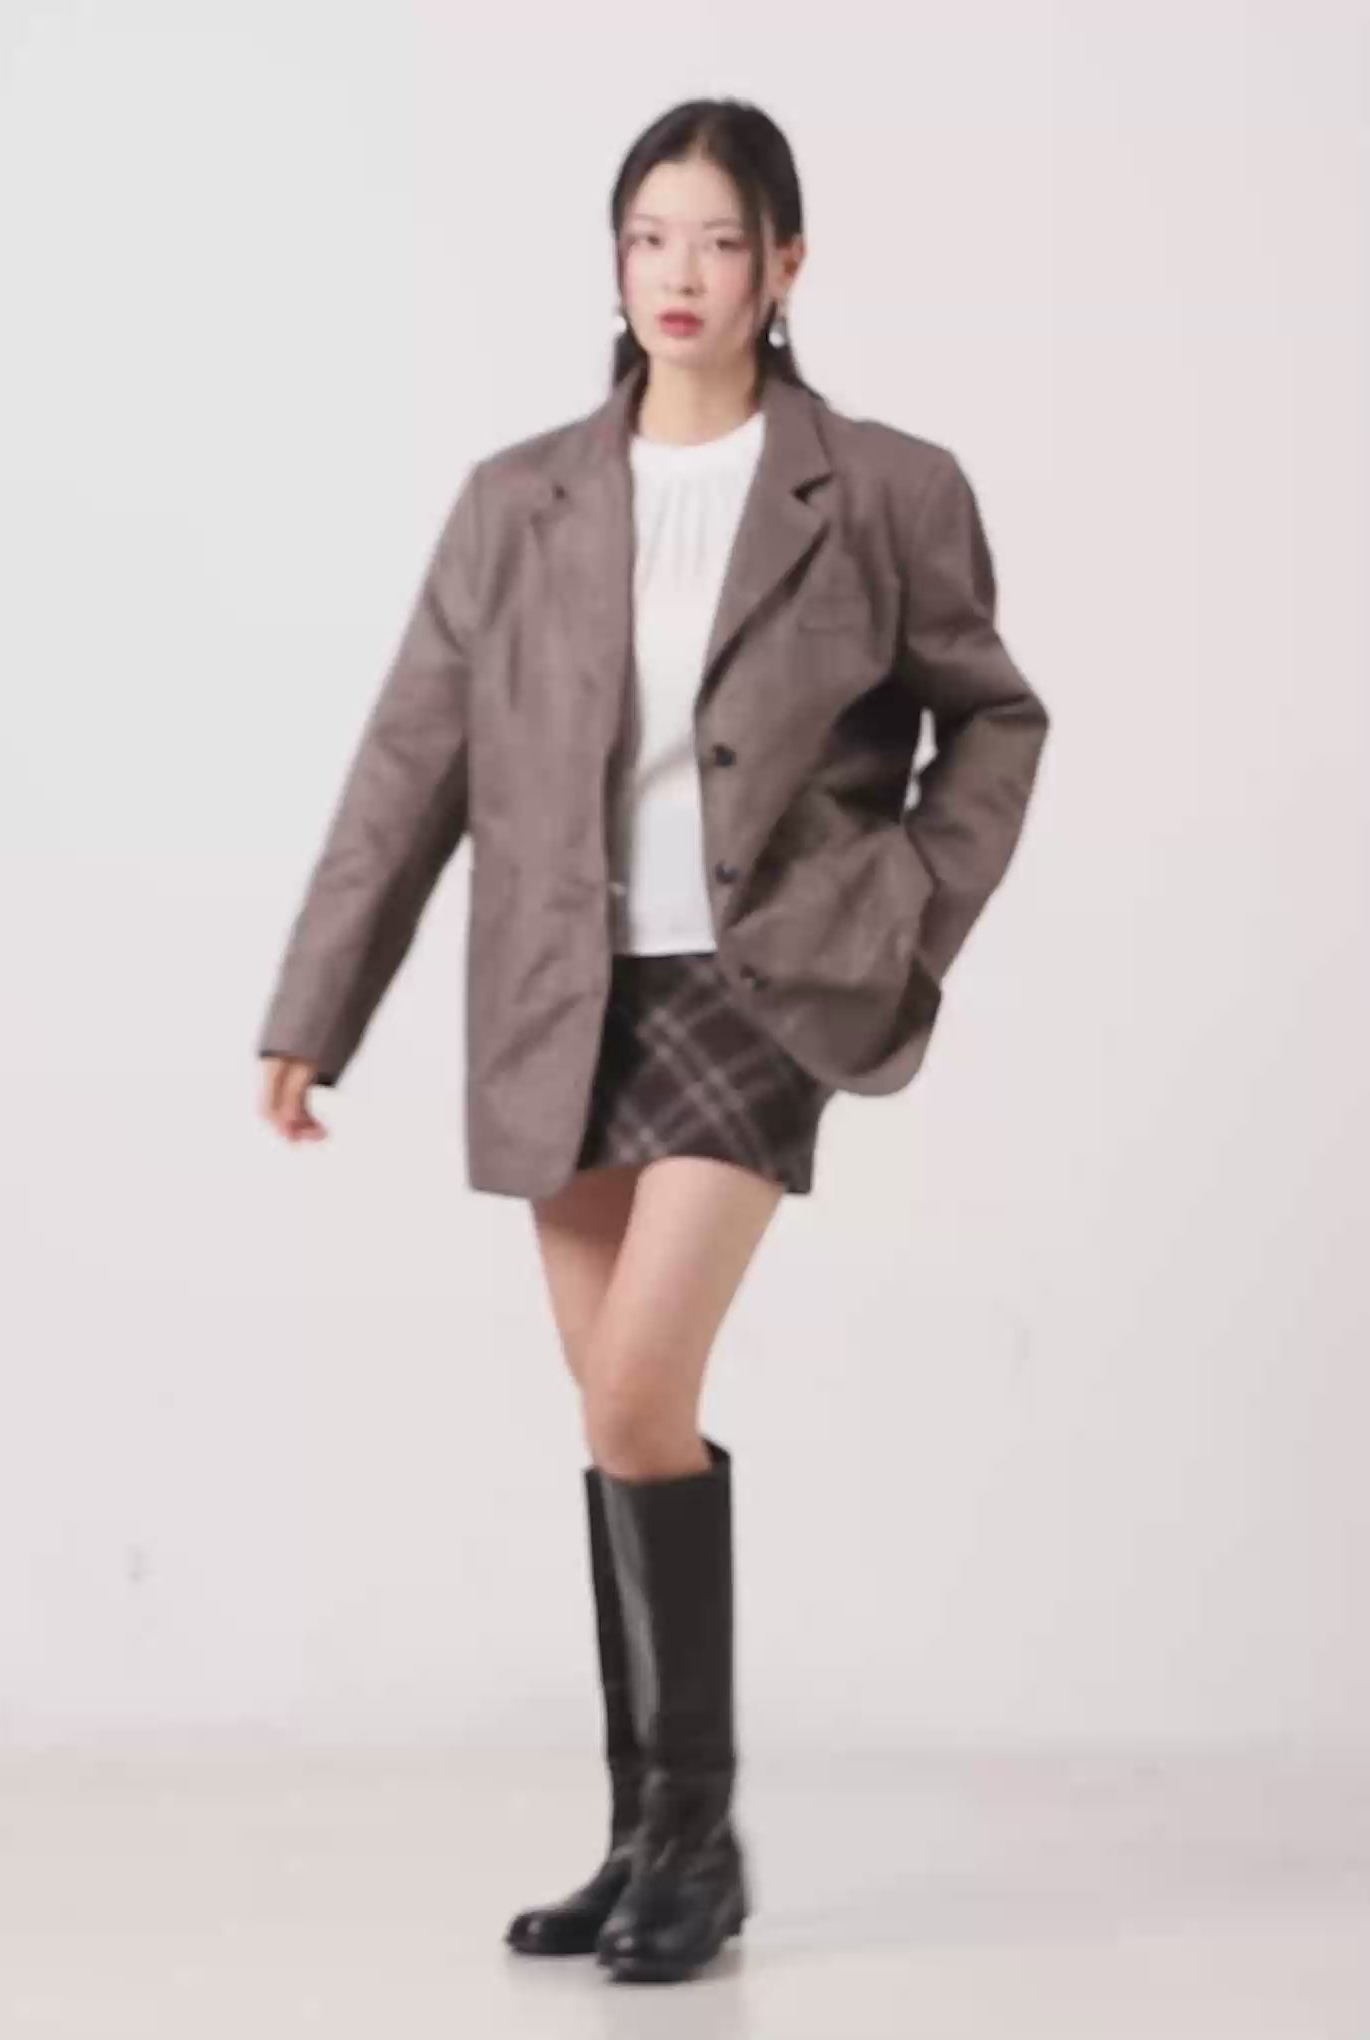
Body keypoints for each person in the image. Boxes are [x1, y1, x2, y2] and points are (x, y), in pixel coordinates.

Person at [257, 98, 1050, 1987]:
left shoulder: (885, 488)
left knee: (633, 1392)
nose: (679, 275)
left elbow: (993, 719)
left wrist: (905, 908)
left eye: (718, 239)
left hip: (761, 990)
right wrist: (316, 1011)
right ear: (614, 263)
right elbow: (410, 767)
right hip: (566, 998)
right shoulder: (517, 500)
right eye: (647, 238)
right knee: (618, 1415)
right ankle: (650, 1840)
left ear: (785, 264)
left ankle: (692, 1839)